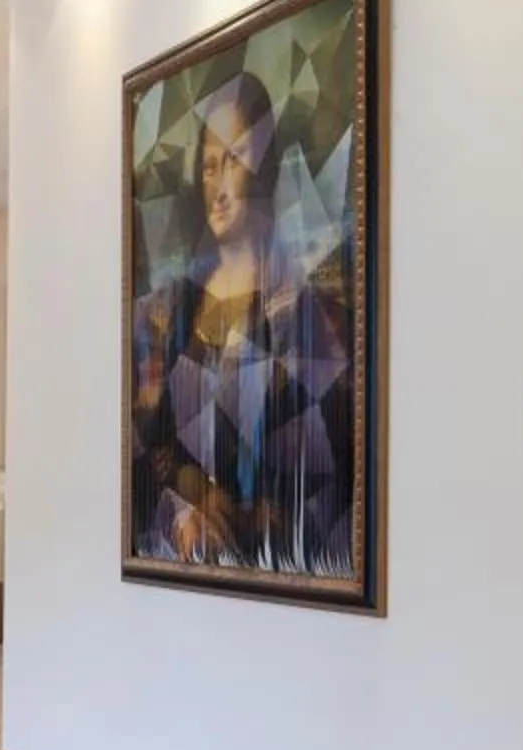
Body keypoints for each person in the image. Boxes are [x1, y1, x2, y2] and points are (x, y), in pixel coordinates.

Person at [129, 67, 357, 578]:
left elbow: (331, 474)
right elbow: (146, 446)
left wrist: (249, 514)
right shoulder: (166, 313)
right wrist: (189, 501)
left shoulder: (312, 319)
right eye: (209, 166)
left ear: (266, 165)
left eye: (233, 159)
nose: (218, 186)